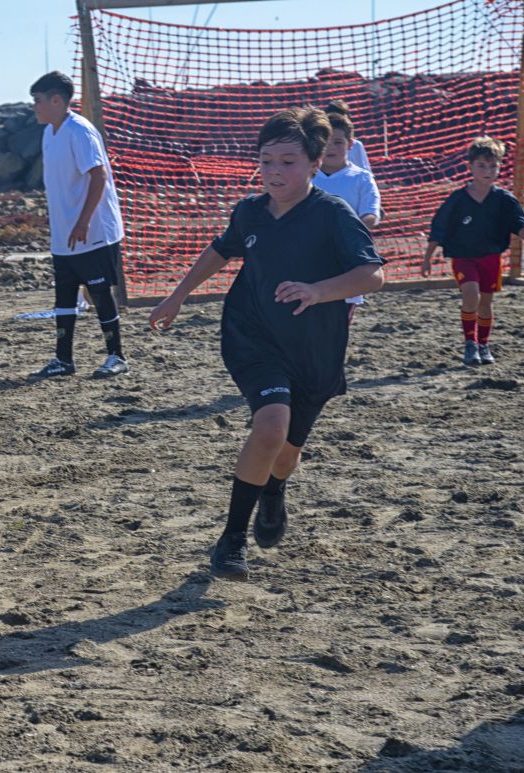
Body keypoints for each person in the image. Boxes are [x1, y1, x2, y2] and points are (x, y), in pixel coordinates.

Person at [148, 107, 385, 581]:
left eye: (288, 162)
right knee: (272, 424)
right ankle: (231, 541)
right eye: (266, 161)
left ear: (316, 164)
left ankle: (274, 490)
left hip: (315, 347)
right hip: (251, 334)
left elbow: (372, 273)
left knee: (288, 449)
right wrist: (177, 295)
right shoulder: (250, 211)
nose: (275, 172)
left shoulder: (333, 215)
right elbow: (221, 249)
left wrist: (318, 291)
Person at [28, 71, 130, 379]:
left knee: (100, 294)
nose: (35, 107)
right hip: (65, 233)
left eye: (38, 101)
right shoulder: (50, 132)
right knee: (64, 295)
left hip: (94, 230)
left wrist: (84, 221)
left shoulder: (79, 130)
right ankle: (63, 359)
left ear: (57, 100)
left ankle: (116, 356)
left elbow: (98, 176)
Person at [422, 136, 524, 365]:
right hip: (464, 257)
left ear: (499, 166)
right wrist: (427, 258)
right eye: (482, 166)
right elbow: (439, 227)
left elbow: (518, 221)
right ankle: (469, 344)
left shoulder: (504, 198)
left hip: (491, 257)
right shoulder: (457, 199)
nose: (488, 171)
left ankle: (484, 345)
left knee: (485, 303)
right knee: (470, 295)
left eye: (493, 166)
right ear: (470, 167)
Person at [312, 107, 381, 319]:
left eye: (338, 142)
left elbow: (371, 214)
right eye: (326, 141)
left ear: (351, 145)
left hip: (346, 259)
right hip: (310, 255)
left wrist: (348, 232)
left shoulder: (361, 178)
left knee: (340, 322)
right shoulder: (307, 175)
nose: (331, 147)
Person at [324, 100, 372, 173]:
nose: (332, 147)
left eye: (338, 142)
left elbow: (365, 171)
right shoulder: (319, 144)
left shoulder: (356, 146)